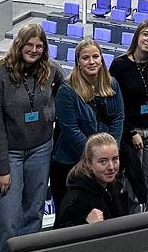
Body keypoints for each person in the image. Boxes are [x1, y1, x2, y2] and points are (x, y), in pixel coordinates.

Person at [0, 23, 65, 252]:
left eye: (39, 46)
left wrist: (51, 113)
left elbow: (67, 90)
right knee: (8, 222)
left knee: (34, 215)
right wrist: (1, 168)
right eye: (29, 45)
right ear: (19, 45)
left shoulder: (50, 70)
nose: (34, 50)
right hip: (10, 154)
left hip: (41, 149)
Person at [51, 39, 124, 208]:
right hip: (71, 163)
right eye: (85, 58)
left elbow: (118, 118)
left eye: (95, 56)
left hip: (102, 164)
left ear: (101, 59)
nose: (92, 61)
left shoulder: (112, 84)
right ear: (78, 62)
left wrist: (109, 153)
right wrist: (93, 158)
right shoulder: (67, 90)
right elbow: (71, 129)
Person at [109, 18, 148, 211]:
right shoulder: (120, 65)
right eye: (146, 35)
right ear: (137, 36)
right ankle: (133, 224)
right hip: (131, 131)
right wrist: (131, 132)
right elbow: (115, 106)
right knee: (132, 186)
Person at [53, 133, 128, 228]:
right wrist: (85, 224)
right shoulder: (76, 199)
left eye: (115, 159)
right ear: (89, 163)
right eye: (103, 161)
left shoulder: (115, 187)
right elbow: (59, 233)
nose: (111, 167)